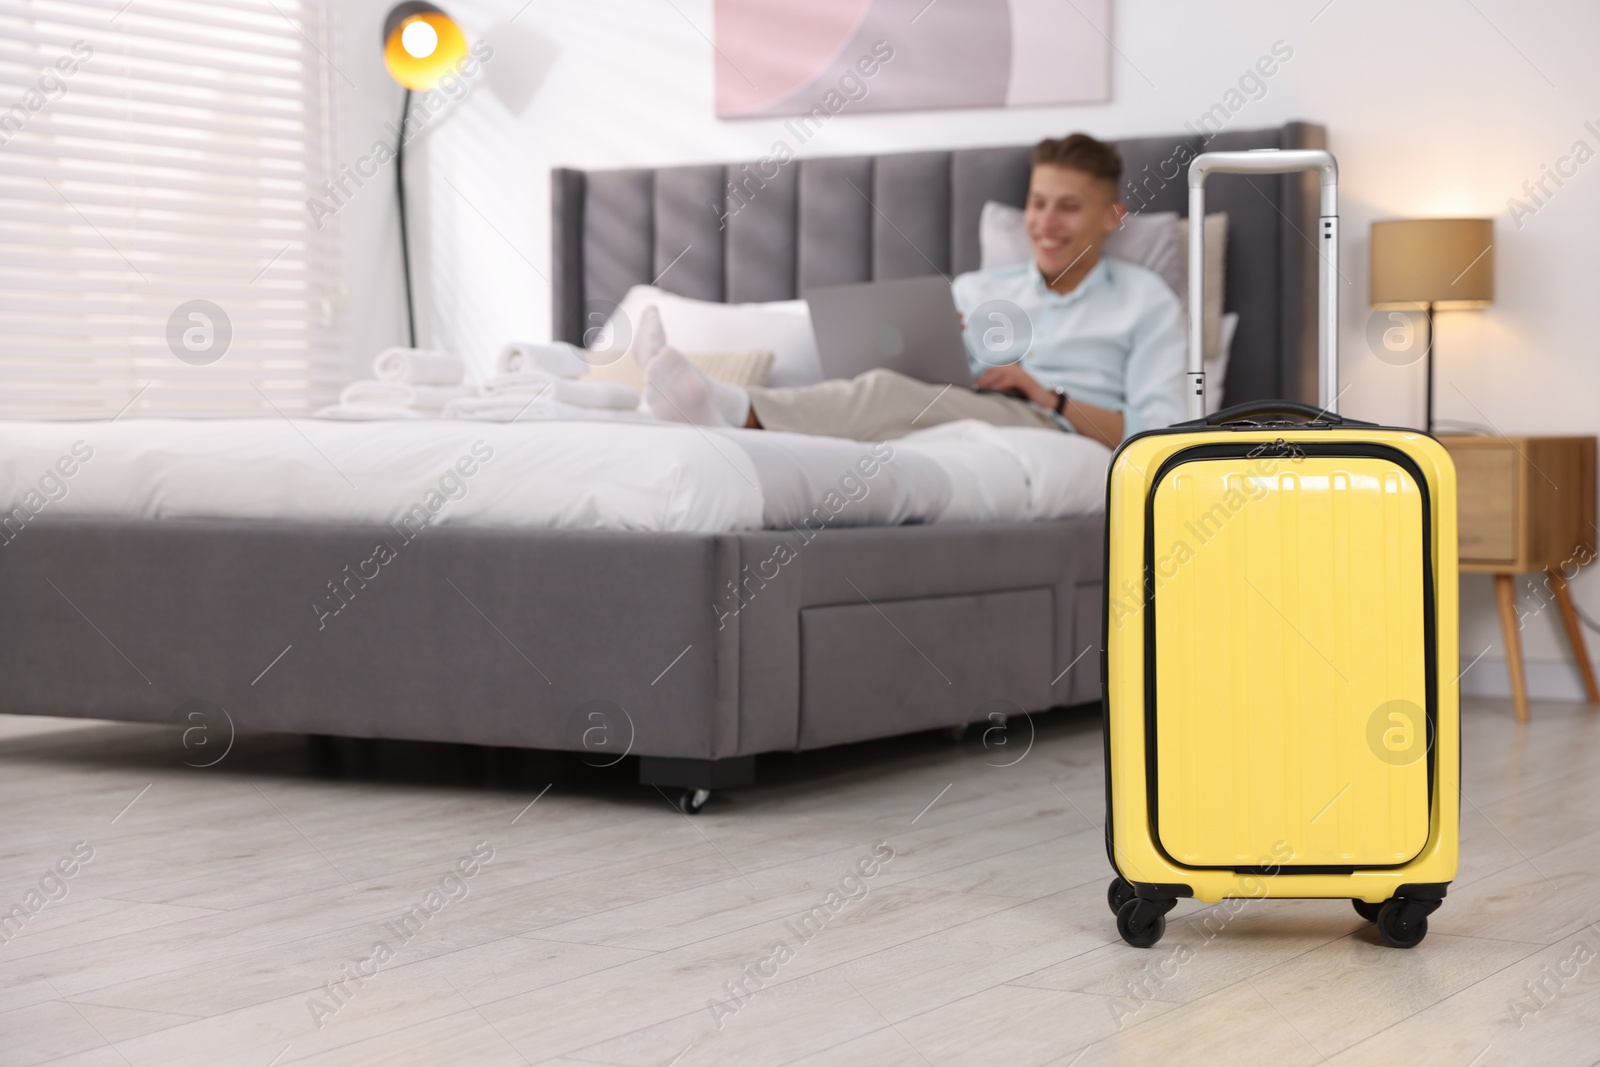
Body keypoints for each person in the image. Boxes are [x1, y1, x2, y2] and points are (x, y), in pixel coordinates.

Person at [639, 133, 1186, 446]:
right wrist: (940, 347)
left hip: (1056, 425)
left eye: (1069, 207)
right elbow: (938, 380)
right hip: (967, 404)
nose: (1046, 222)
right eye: (1038, 202)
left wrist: (1048, 395)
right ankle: (674, 400)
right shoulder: (976, 289)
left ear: (1113, 217)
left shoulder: (1147, 302)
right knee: (886, 384)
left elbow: (1156, 438)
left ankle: (732, 411)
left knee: (882, 393)